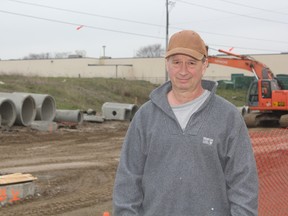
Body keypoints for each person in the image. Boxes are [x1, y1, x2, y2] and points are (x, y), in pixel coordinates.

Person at [113, 30, 259, 215]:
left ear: (204, 65)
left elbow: (244, 185)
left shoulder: (227, 117)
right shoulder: (145, 117)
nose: (183, 71)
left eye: (191, 63)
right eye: (176, 62)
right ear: (167, 64)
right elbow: (128, 183)